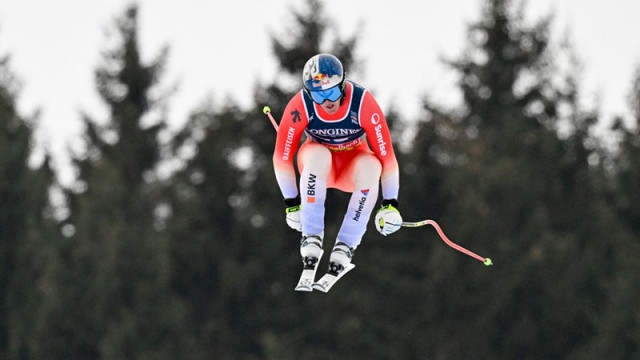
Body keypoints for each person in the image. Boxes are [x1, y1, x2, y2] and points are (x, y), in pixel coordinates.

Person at [273, 53, 402, 277]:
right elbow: (282, 157)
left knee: (372, 166)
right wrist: (292, 204)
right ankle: (311, 235)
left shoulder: (362, 103)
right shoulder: (301, 105)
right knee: (318, 154)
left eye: (332, 92)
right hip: (319, 166)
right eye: (318, 95)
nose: (327, 102)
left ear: (343, 84)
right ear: (308, 92)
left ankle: (346, 244)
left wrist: (390, 204)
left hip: (351, 167)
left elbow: (387, 157)